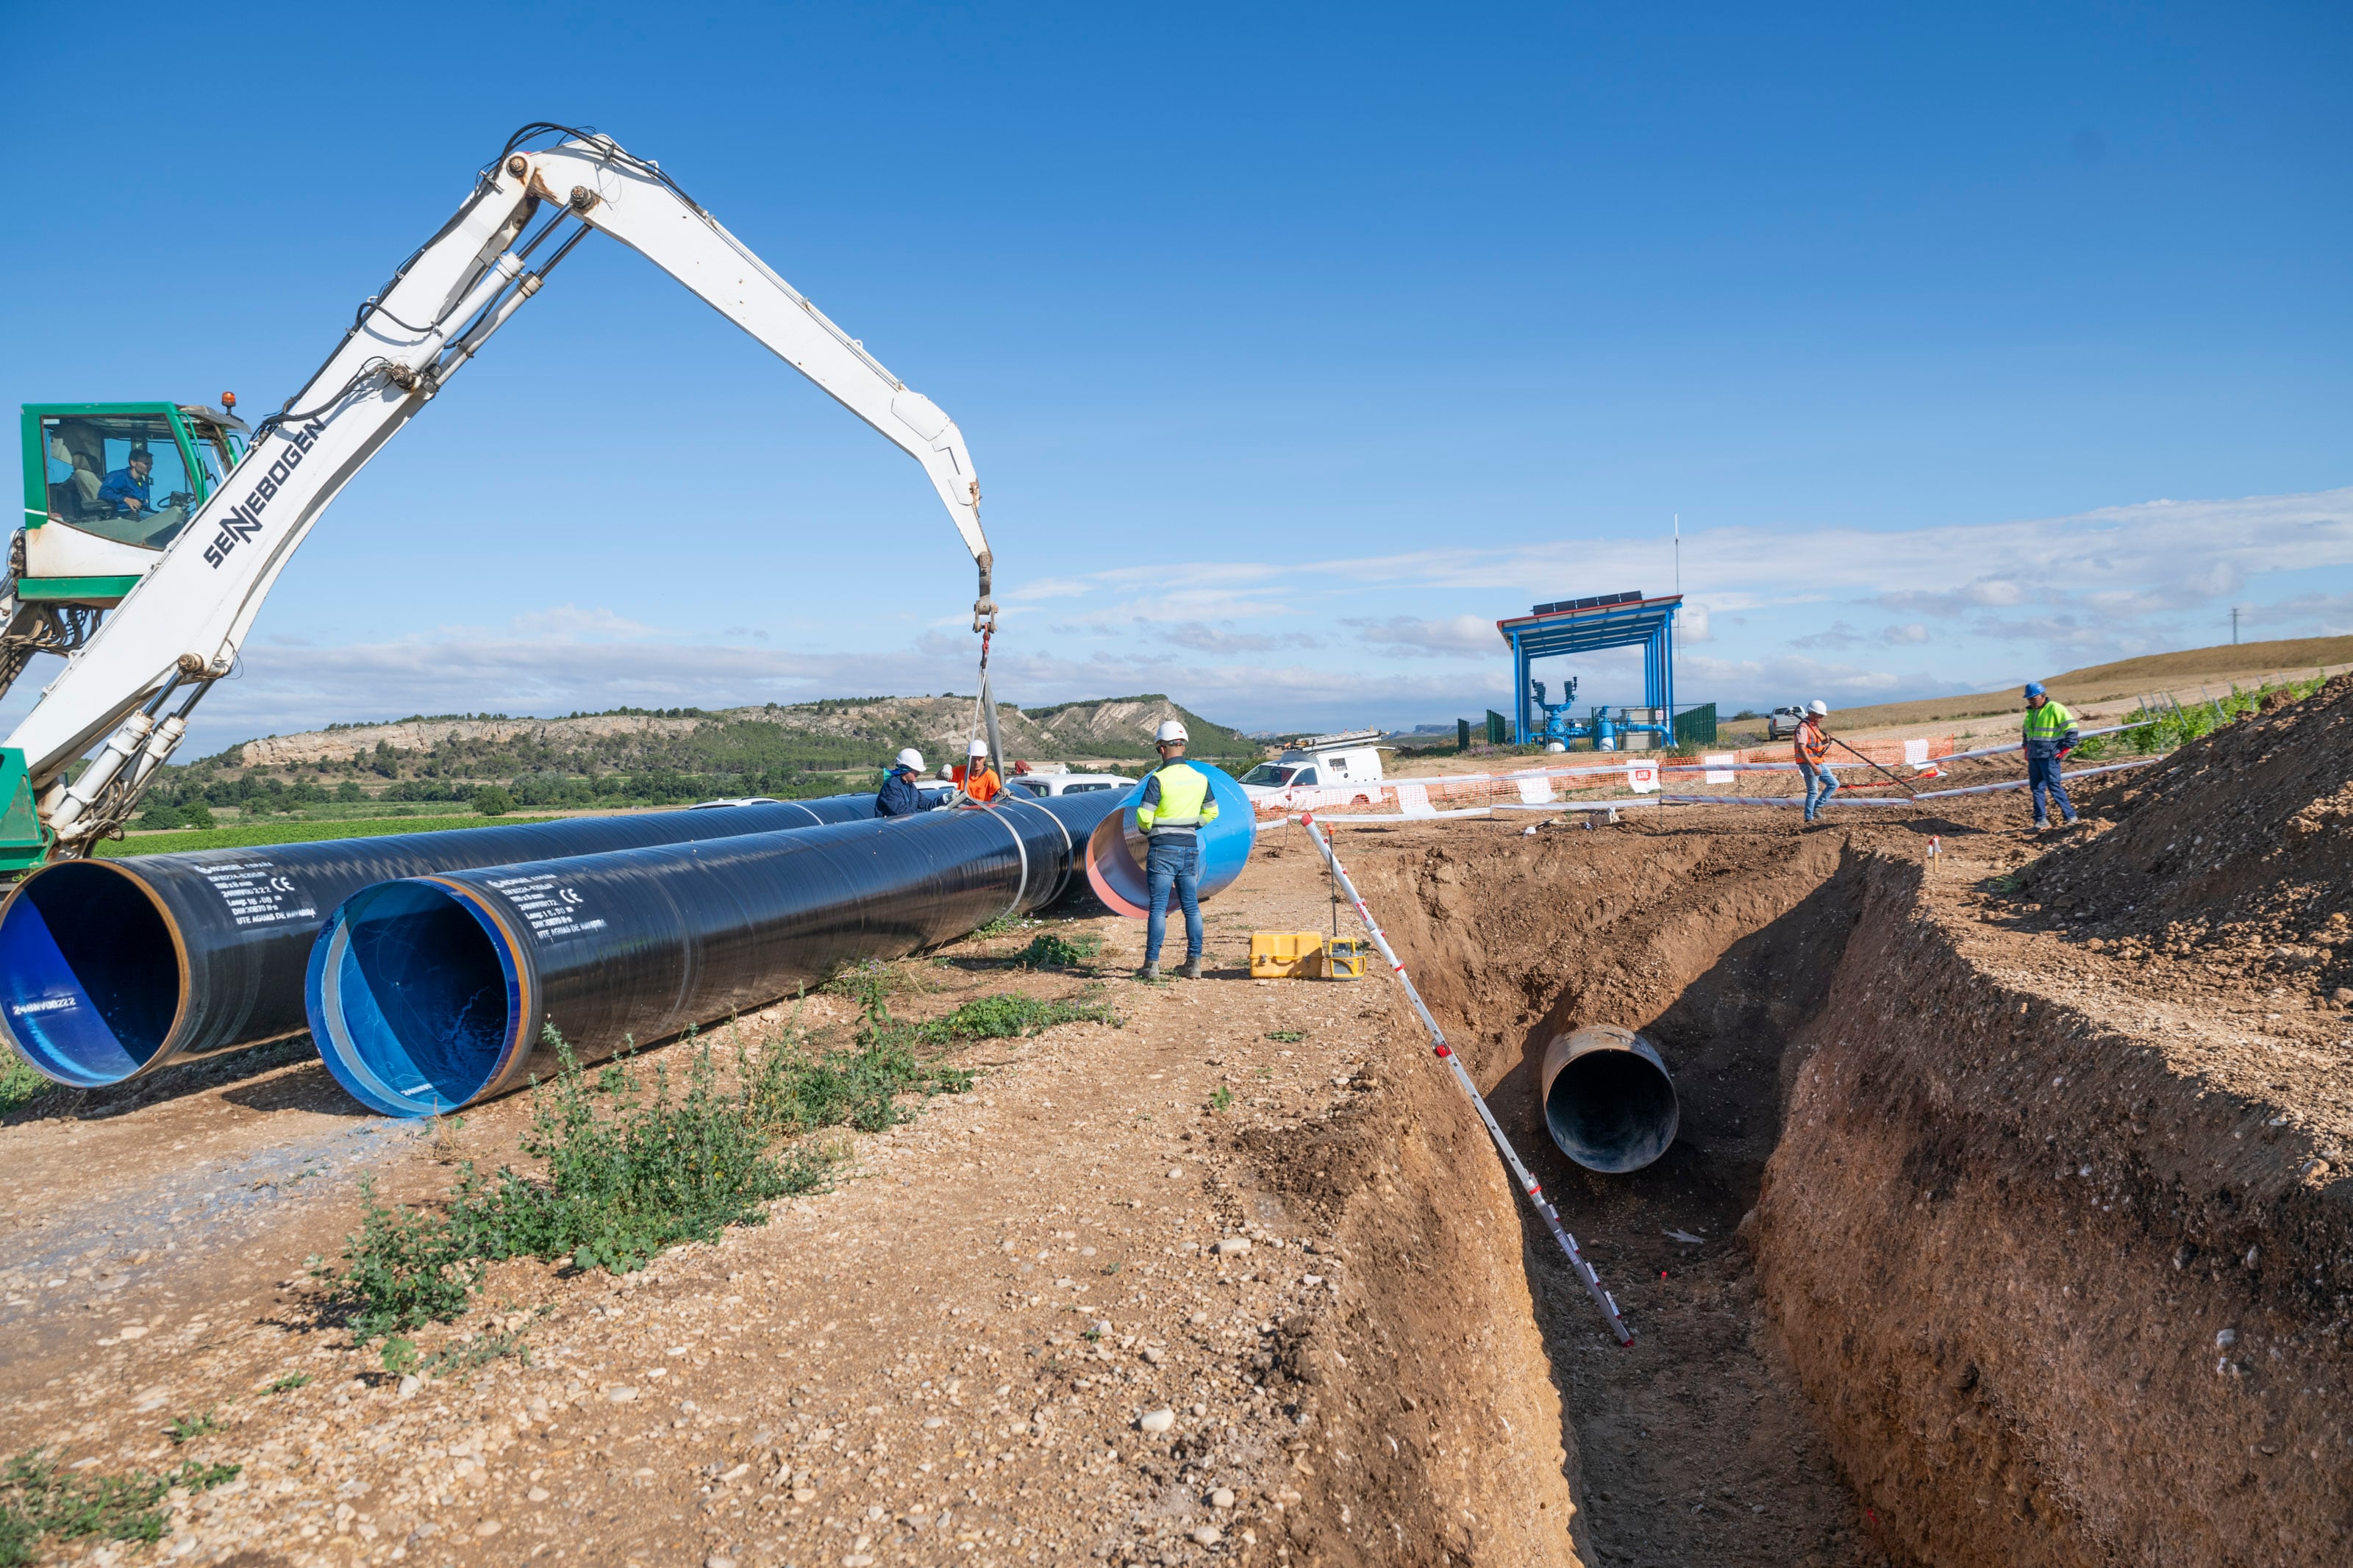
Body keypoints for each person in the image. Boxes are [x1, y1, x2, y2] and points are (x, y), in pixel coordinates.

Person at [1135, 719, 1221, 981]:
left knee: (1159, 907)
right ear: (1182, 746)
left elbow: (1143, 817)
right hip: (1189, 849)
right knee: (1191, 907)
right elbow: (1213, 812)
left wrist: (1150, 831)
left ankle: (1152, 965)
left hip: (1162, 850)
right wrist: (1192, 825)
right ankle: (1194, 963)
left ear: (1161, 748)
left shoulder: (1158, 779)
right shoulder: (1200, 779)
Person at [2021, 682, 2080, 829]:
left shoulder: (2055, 708)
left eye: (2033, 698)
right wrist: (2026, 749)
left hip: (2049, 755)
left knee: (2054, 785)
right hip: (2035, 755)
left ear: (2042, 696)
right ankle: (2040, 820)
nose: (2031, 701)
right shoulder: (2031, 713)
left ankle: (2070, 816)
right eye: (2029, 699)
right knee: (2036, 788)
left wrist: (2065, 748)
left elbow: (2072, 729)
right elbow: (2026, 732)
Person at [1793, 699, 1838, 823]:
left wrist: (1826, 741)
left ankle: (1816, 807)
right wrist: (1813, 766)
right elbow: (1802, 750)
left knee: (1834, 784)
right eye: (1820, 716)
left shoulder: (1813, 726)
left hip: (1819, 762)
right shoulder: (1803, 728)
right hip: (1809, 764)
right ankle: (1809, 818)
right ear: (1812, 714)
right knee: (1813, 791)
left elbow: (1814, 745)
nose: (1822, 718)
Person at [98, 445, 155, 517]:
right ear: (133, 463)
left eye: (151, 464)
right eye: (146, 464)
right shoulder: (119, 476)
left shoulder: (143, 484)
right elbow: (103, 493)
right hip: (123, 515)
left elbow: (145, 507)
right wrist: (126, 499)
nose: (150, 467)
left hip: (139, 514)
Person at [876, 748, 927, 817]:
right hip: (890, 827)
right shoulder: (891, 787)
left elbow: (926, 804)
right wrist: (924, 813)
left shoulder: (911, 787)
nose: (919, 774)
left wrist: (944, 799)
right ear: (907, 770)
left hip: (906, 826)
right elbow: (903, 813)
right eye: (917, 770)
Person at [952, 737, 1002, 803]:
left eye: (980, 759)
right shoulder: (960, 771)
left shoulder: (991, 776)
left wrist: (1002, 791)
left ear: (984, 758)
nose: (976, 762)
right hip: (961, 810)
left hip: (982, 811)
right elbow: (941, 777)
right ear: (969, 757)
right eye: (974, 758)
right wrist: (943, 772)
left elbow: (997, 791)